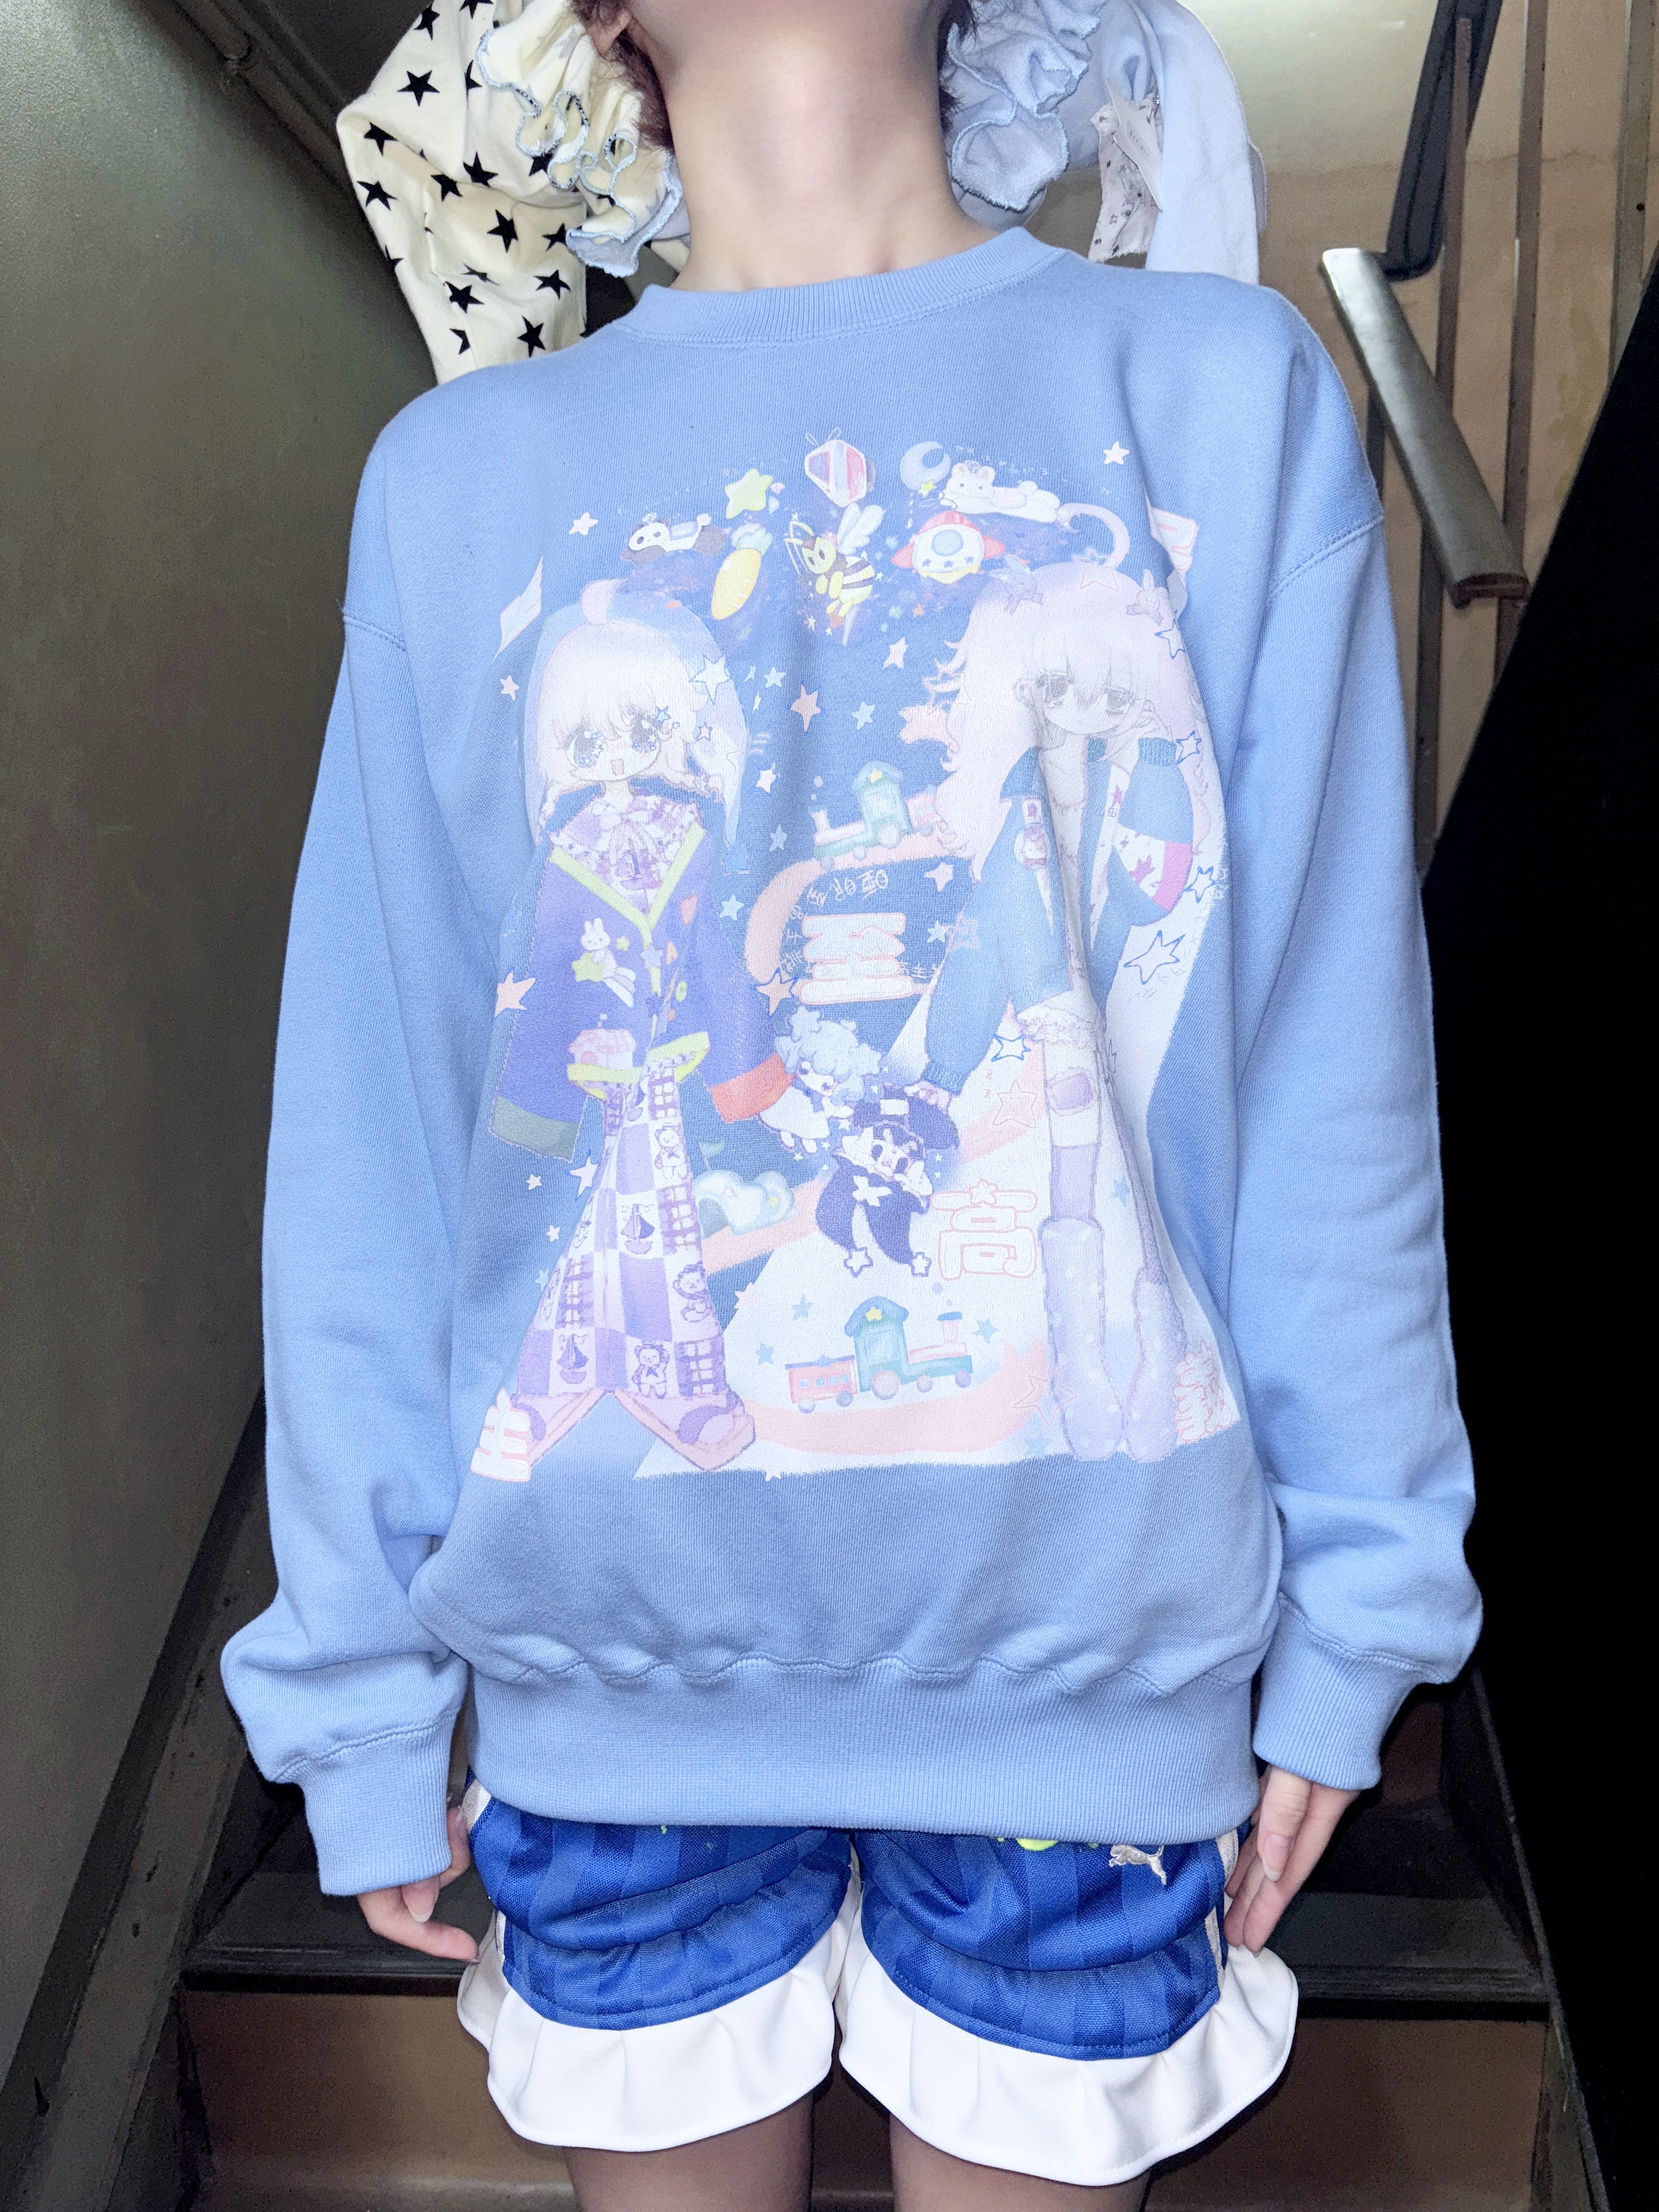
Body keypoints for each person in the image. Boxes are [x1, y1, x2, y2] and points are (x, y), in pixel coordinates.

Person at [223, 3, 1481, 2206]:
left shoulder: (1221, 394)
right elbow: (377, 1133)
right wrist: (351, 1683)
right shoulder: (456, 482)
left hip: (1093, 1662)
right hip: (611, 1670)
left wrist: (1367, 1604)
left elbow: (1327, 1073)